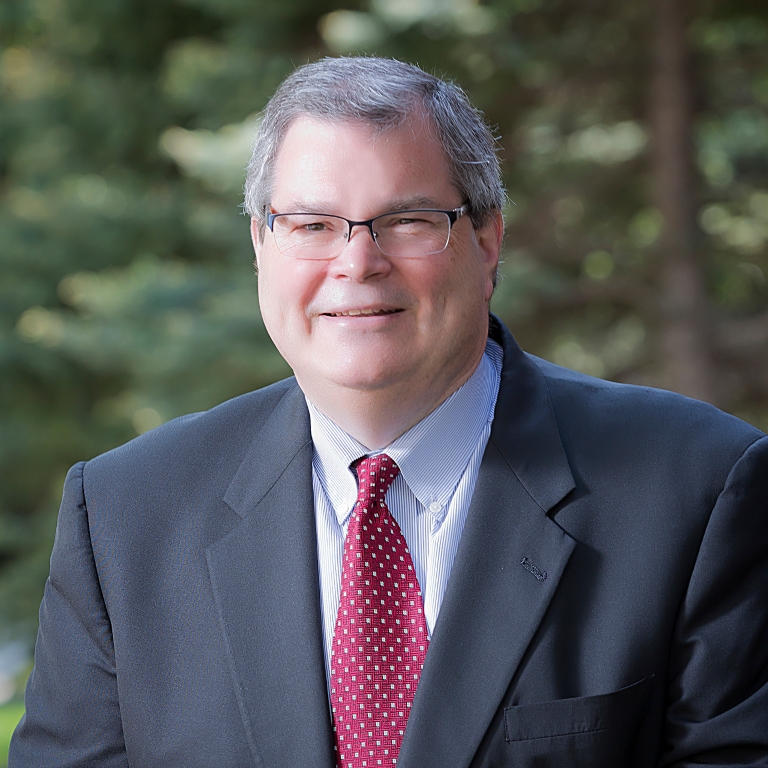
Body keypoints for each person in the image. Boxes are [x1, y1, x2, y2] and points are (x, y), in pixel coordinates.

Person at [10, 56, 768, 768]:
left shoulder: (698, 490)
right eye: (312, 225)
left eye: (408, 221)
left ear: (487, 239)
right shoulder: (124, 515)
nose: (356, 262)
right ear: (260, 245)